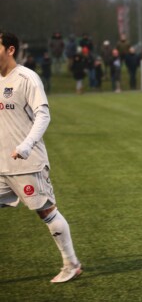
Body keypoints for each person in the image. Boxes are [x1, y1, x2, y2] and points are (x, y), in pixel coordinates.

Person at [0, 31, 82, 283]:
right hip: (1, 165)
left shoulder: (27, 78)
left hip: (27, 163)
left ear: (10, 49)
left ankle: (72, 265)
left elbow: (43, 115)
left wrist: (25, 146)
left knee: (46, 211)